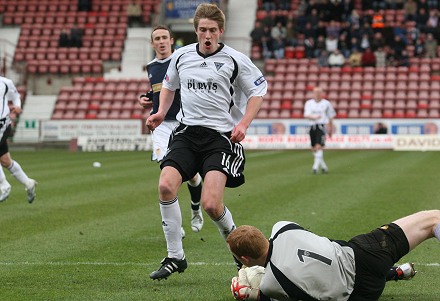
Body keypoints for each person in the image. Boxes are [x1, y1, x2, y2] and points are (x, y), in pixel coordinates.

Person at [146, 3, 267, 280]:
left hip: (219, 138)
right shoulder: (182, 56)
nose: (207, 35)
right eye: (202, 30)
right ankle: (175, 256)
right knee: (165, 186)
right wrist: (161, 112)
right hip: (187, 134)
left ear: (221, 31)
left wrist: (244, 124)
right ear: (196, 31)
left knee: (212, 205)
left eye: (213, 30)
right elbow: (169, 85)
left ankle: (240, 255)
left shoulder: (235, 59)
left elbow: (258, 90)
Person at [227, 209, 440, 300]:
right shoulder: (282, 227)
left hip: (360, 294)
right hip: (368, 253)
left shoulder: (270, 285)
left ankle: (395, 273)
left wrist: (251, 294)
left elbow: (272, 293)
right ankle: (392, 271)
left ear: (245, 259)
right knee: (432, 220)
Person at [138, 25, 204, 238]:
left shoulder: (183, 60)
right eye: (157, 38)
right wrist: (146, 96)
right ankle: (177, 225)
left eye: (164, 37)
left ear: (171, 40)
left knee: (192, 176)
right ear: (152, 43)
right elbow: (161, 88)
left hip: (184, 122)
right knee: (167, 173)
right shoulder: (151, 66)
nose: (161, 41)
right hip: (161, 125)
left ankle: (196, 210)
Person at [0, 76, 37, 203]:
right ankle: (28, 183)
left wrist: (17, 105)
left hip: (2, 126)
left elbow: (15, 95)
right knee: (5, 161)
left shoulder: (5, 83)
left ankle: (4, 185)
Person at [303, 87, 335, 174]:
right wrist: (314, 117)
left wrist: (330, 128)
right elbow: (306, 114)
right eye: (315, 92)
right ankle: (324, 167)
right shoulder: (309, 103)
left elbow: (330, 116)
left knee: (318, 146)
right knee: (314, 148)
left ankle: (315, 167)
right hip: (311, 126)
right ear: (313, 93)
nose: (317, 94)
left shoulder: (326, 103)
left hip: (321, 126)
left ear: (322, 94)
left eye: (319, 92)